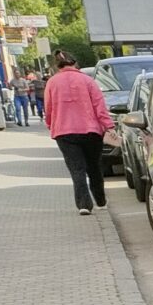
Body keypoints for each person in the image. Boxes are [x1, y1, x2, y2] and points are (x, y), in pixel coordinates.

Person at [44, 51, 114, 214]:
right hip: (91, 131)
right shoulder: (88, 81)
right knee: (94, 167)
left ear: (57, 66)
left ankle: (84, 205)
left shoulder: (52, 83)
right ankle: (101, 201)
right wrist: (108, 126)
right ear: (75, 63)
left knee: (77, 169)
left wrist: (51, 125)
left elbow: (48, 109)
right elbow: (100, 107)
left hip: (64, 132)